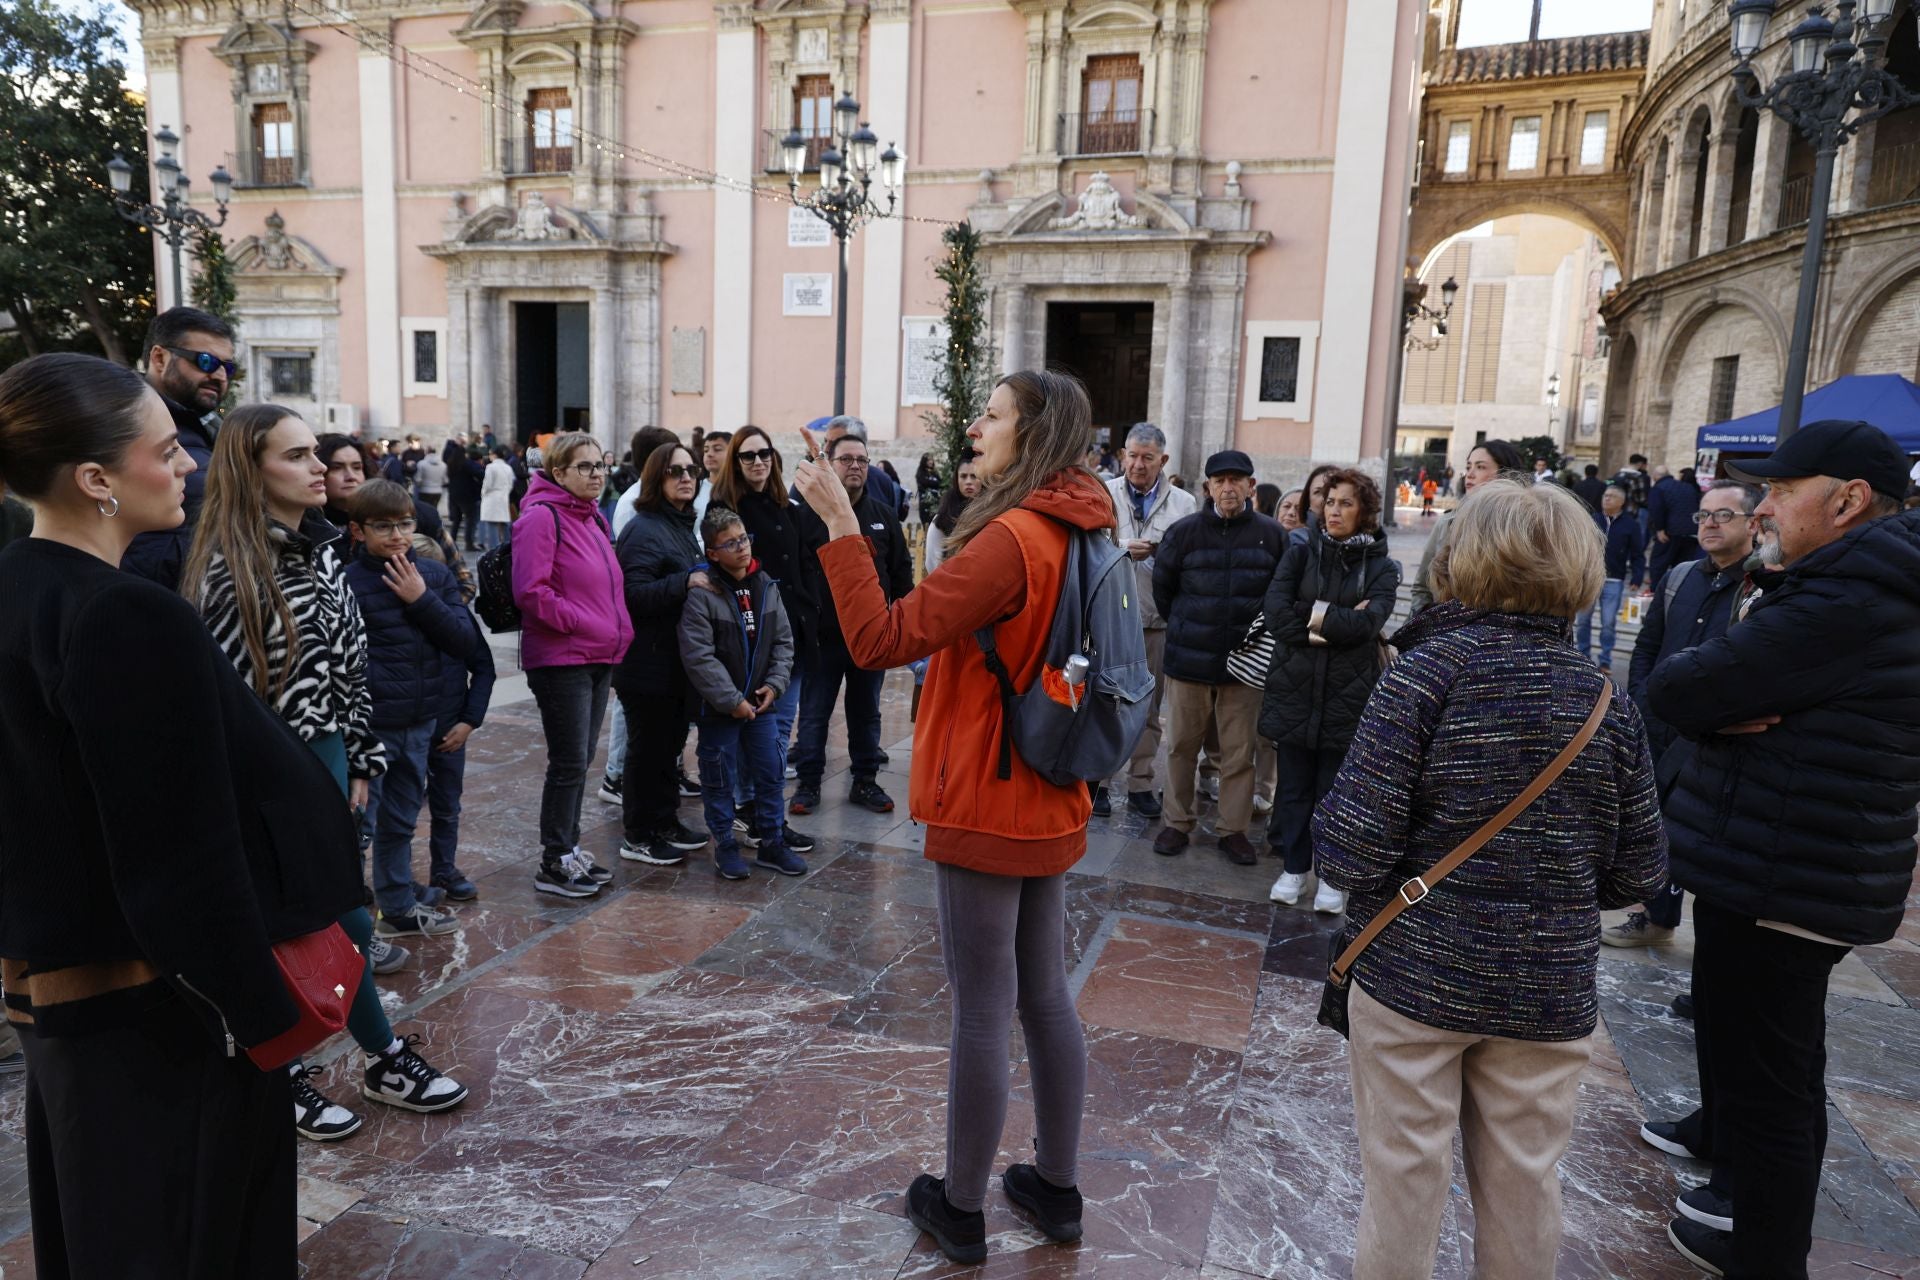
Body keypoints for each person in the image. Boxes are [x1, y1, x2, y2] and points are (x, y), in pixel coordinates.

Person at [0, 353, 363, 1277]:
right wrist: (255, 1010)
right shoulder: (125, 614)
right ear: (96, 479)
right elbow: (179, 852)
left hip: (61, 993)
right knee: (195, 1235)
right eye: (165, 451)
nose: (190, 465)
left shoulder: (18, 585)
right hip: (164, 1010)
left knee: (103, 1223)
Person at [1317, 477, 1667, 1280]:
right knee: (1524, 1189)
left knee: (1404, 1185)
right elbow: (1640, 871)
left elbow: (1351, 853)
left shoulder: (1425, 675)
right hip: (1546, 991)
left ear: (1459, 561)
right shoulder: (1605, 699)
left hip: (1414, 977)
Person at [794, 369, 1105, 1265]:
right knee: (1045, 997)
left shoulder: (1014, 537)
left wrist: (842, 526)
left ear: (1032, 431)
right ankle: (1056, 1186)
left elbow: (880, 640)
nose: (975, 426)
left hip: (990, 788)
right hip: (1049, 783)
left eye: (993, 414)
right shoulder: (1084, 521)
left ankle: (961, 1205)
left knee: (983, 1004)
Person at [1644, 421, 1920, 1278]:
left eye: (1782, 491)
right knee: (1787, 1071)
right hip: (1803, 865)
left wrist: (1718, 700)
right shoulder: (1859, 584)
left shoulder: (1844, 600)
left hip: (1783, 873)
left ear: (1848, 501)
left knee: (1766, 1089)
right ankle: (1760, 1235)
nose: (1764, 506)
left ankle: (1766, 1257)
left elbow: (1679, 682)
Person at [181, 403, 466, 1144]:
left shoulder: (323, 551)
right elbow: (231, 708)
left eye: (319, 454)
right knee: (296, 924)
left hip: (330, 762)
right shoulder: (226, 571)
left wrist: (360, 758)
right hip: (272, 775)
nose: (320, 468)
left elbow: (350, 668)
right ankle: (297, 1069)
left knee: (347, 917)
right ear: (253, 470)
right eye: (298, 456)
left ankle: (377, 1057)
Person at [1608, 481, 1759, 949]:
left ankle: (1669, 918)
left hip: (1714, 731)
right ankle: (1654, 916)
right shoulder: (1681, 577)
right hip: (1660, 721)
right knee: (1652, 820)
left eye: (1723, 515)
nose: (1709, 523)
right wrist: (1642, 702)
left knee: (1689, 826)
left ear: (1753, 522)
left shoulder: (1762, 588)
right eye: (1703, 515)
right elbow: (1648, 645)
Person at [340, 480, 481, 934]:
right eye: (383, 526)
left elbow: (462, 641)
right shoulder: (347, 580)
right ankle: (353, 922)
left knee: (402, 820)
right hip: (373, 725)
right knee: (359, 828)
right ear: (358, 531)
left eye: (405, 524)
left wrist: (421, 599)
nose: (397, 535)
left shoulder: (435, 576)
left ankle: (398, 906)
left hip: (420, 722)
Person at [1261, 469, 1400, 911]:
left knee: (1336, 793)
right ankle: (1294, 868)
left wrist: (1311, 617)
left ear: (1365, 512)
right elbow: (1278, 616)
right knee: (1294, 788)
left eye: (1346, 503)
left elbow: (1368, 624)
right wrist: (1335, 619)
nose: (1334, 510)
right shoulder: (1300, 554)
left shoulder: (1381, 567)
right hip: (1294, 688)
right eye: (1330, 501)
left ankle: (1331, 879)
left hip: (1348, 694)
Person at [512, 432, 633, 897]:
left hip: (598, 653)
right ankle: (554, 861)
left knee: (580, 759)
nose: (597, 475)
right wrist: (582, 624)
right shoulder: (542, 518)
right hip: (563, 657)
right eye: (585, 467)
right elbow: (532, 591)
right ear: (557, 473)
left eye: (600, 466)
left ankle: (569, 848)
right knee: (567, 762)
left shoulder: (593, 519)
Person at [1149, 450, 1285, 865]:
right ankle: (1176, 823)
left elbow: (1280, 595)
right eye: (1219, 480)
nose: (1228, 487)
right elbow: (1164, 590)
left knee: (1238, 754)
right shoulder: (1184, 532)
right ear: (1207, 488)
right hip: (1190, 663)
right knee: (1181, 748)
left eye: (1236, 480)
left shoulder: (1272, 535)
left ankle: (1233, 830)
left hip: (1244, 669)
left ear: (1250, 486)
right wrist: (1190, 628)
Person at [791, 427, 914, 817]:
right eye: (847, 459)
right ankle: (808, 784)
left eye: (862, 460)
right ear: (829, 463)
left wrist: (901, 624)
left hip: (871, 637)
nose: (856, 466)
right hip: (822, 639)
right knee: (813, 713)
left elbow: (900, 574)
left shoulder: (882, 516)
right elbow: (795, 574)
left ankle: (865, 781)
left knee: (866, 714)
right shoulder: (807, 514)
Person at [680, 505, 806, 881]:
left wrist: (775, 685)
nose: (742, 548)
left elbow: (783, 641)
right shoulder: (703, 591)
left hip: (761, 704)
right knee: (719, 779)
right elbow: (698, 655)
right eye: (730, 543)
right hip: (720, 709)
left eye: (744, 539)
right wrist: (731, 700)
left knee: (770, 774)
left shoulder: (765, 584)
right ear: (712, 553)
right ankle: (726, 846)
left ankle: (772, 843)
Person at [709, 427, 817, 853]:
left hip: (795, 632)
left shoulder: (783, 504)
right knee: (758, 728)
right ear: (735, 462)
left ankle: (764, 812)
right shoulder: (726, 509)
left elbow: (802, 562)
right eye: (748, 456)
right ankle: (751, 807)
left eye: (764, 454)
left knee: (779, 730)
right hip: (752, 636)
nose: (757, 462)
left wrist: (812, 608)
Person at [612, 440, 712, 866]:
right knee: (646, 749)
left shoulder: (680, 525)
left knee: (669, 746)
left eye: (691, 470)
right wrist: (685, 584)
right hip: (646, 662)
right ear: (656, 478)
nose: (687, 477)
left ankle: (665, 821)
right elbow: (632, 595)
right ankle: (638, 834)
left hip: (674, 661)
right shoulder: (644, 528)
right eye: (676, 471)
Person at [1105, 423, 1199, 819]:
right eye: (1131, 455)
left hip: (1157, 620)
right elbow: (1088, 543)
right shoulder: (1104, 494)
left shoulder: (1184, 503)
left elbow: (1188, 560)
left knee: (1147, 707)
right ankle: (1099, 782)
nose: (1137, 464)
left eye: (1147, 457)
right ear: (1122, 455)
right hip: (1110, 618)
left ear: (1163, 460)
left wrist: (1158, 553)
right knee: (1106, 703)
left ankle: (1141, 782)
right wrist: (1125, 548)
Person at [121, 306, 234, 589]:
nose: (220, 376)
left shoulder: (211, 427)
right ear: (159, 357)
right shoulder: (122, 421)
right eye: (206, 361)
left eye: (228, 367)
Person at [1410, 439, 1525, 612]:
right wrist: (1422, 622)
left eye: (1480, 467)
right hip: (1441, 630)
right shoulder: (1447, 522)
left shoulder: (1522, 527)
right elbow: (1422, 586)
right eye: (1469, 466)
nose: (1470, 474)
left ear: (1505, 475)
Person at [1573, 483, 1646, 670]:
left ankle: (1605, 660)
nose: (1606, 498)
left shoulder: (1631, 525)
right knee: (1582, 622)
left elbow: (1637, 553)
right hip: (1589, 578)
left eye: (1612, 496)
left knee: (1608, 623)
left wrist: (1637, 578)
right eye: (1605, 495)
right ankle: (1583, 657)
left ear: (1621, 502)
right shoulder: (1592, 519)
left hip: (1614, 580)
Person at [1647, 465, 1703, 586]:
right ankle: (1678, 590)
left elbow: (1656, 509)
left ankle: (1656, 590)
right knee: (1683, 566)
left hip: (1670, 532)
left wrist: (1660, 529)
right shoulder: (1688, 487)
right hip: (1691, 532)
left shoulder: (1658, 488)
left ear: (1655, 476)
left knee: (1659, 563)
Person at [925, 456, 981, 573]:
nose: (968, 482)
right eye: (963, 476)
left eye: (974, 476)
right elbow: (932, 561)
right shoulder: (944, 516)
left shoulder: (992, 511)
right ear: (957, 479)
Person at [446, 439, 484, 549]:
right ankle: (469, 543)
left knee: (456, 521)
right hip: (467, 495)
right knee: (470, 520)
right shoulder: (466, 463)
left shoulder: (451, 463)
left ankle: (451, 541)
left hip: (454, 495)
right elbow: (479, 473)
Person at [479, 445, 515, 549]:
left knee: (492, 526)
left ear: (494, 455)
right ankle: (508, 549)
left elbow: (487, 484)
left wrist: (483, 493)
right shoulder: (508, 467)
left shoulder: (491, 467)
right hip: (503, 497)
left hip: (491, 499)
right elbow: (510, 484)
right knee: (504, 525)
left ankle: (493, 551)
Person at [1614, 452, 1653, 536]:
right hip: (1631, 511)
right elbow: (1641, 499)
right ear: (1639, 464)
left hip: (1616, 510)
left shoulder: (1617, 475)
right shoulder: (1638, 477)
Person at [412, 445, 447, 513]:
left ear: (426, 452)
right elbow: (445, 480)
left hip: (424, 490)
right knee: (434, 509)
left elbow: (418, 479)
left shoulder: (421, 464)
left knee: (424, 510)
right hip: (438, 491)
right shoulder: (443, 465)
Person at [915, 452, 944, 526]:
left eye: (932, 460)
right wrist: (934, 483)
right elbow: (924, 482)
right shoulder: (921, 472)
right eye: (928, 460)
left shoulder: (934, 472)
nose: (931, 462)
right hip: (925, 503)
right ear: (924, 461)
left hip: (936, 503)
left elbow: (941, 483)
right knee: (926, 523)